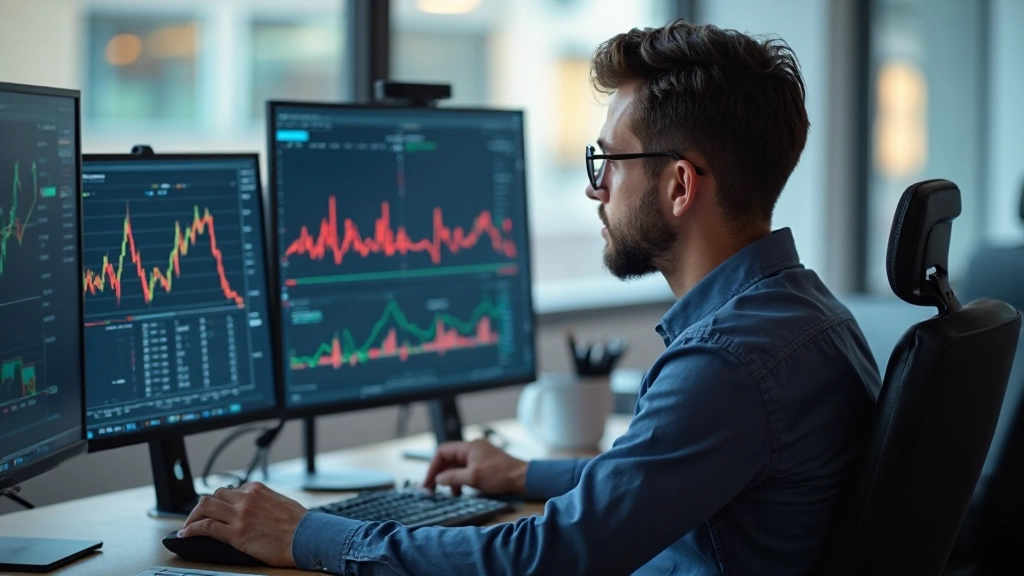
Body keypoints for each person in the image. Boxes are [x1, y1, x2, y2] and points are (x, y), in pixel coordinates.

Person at [180, 18, 881, 575]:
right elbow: (662, 477)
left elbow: (546, 558)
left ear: (678, 185)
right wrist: (525, 473)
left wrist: (307, 533)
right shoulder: (808, 315)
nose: (595, 189)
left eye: (608, 160)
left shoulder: (727, 363)